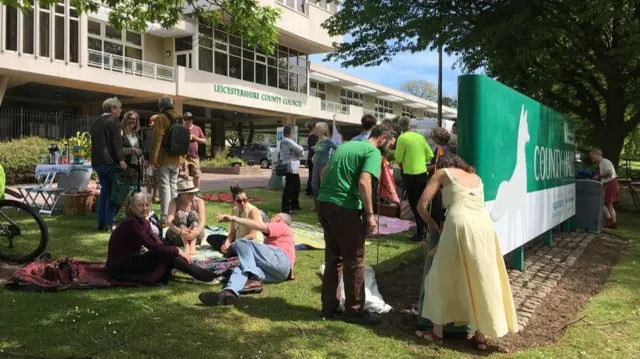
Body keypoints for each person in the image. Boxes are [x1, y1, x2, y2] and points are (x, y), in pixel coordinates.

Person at [415, 154, 518, 350]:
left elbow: (422, 205)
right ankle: (481, 337)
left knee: (441, 274)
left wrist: (432, 226)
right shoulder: (476, 177)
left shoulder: (441, 173)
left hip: (458, 222)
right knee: (481, 276)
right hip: (484, 226)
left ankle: (437, 333)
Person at [317, 123, 397, 326]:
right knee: (354, 259)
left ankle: (329, 308)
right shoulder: (372, 152)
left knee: (334, 257)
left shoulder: (346, 146)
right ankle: (354, 311)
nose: (390, 150)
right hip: (344, 207)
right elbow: (364, 182)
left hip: (324, 203)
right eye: (390, 145)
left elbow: (323, 172)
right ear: (383, 138)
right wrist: (369, 215)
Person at [106, 192, 215, 284]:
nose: (145, 208)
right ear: (132, 208)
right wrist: (177, 250)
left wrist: (174, 251)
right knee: (170, 254)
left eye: (147, 205)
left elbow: (158, 242)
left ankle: (205, 275)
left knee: (169, 253)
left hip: (130, 260)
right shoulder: (132, 223)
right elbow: (152, 246)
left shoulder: (144, 222)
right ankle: (207, 277)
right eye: (140, 205)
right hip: (119, 267)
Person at [198, 212, 295, 306]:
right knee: (242, 266)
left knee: (242, 242)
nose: (271, 218)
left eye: (273, 216)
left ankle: (253, 277)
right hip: (280, 275)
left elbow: (258, 225)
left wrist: (233, 218)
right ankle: (229, 293)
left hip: (281, 260)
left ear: (279, 219)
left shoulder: (283, 226)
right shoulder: (276, 240)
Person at [395, 117, 434, 241]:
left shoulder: (402, 138)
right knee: (423, 202)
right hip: (422, 173)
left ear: (401, 127)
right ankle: (427, 229)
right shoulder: (420, 137)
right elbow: (430, 154)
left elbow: (398, 158)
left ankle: (420, 232)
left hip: (410, 174)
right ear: (411, 125)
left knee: (414, 204)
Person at [90, 97, 126, 233]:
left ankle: (101, 223)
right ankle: (109, 224)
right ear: (113, 108)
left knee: (104, 192)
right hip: (110, 161)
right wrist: (122, 160)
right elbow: (116, 142)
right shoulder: (113, 121)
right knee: (112, 194)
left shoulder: (96, 122)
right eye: (119, 108)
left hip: (97, 161)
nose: (121, 110)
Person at [149, 95, 185, 225]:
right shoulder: (179, 118)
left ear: (160, 106)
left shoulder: (161, 118)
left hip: (163, 159)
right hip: (176, 158)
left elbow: (157, 140)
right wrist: (182, 159)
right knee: (174, 187)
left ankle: (165, 218)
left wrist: (153, 159)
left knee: (164, 188)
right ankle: (175, 215)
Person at [206, 185, 265, 255]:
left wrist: (234, 244)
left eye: (245, 200)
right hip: (238, 240)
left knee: (233, 249)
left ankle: (230, 250)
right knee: (211, 238)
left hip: (251, 243)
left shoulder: (253, 210)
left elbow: (252, 235)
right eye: (239, 201)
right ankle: (227, 249)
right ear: (234, 202)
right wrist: (227, 244)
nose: (242, 203)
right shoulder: (234, 210)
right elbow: (232, 233)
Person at [164, 180, 206, 255]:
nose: (193, 195)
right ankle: (186, 245)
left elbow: (202, 221)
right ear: (181, 194)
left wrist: (195, 232)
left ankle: (192, 246)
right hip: (177, 236)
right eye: (190, 193)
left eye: (194, 192)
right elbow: (169, 222)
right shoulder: (174, 202)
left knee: (193, 213)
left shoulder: (199, 202)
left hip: (196, 236)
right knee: (180, 213)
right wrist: (181, 232)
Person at [590, 148, 620, 229]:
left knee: (601, 202)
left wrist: (599, 176)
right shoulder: (601, 163)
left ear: (597, 155)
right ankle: (613, 224)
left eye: (592, 156)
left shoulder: (605, 161)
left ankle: (610, 220)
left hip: (610, 183)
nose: (591, 158)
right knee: (609, 204)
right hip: (609, 183)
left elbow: (609, 172)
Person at [311, 122, 338, 202]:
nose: (315, 130)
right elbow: (317, 151)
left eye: (317, 129)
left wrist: (330, 161)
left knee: (323, 185)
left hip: (324, 165)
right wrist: (313, 157)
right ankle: (316, 204)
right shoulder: (318, 140)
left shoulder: (328, 141)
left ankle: (323, 203)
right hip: (315, 165)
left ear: (322, 130)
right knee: (314, 185)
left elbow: (338, 149)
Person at [280, 125, 304, 214]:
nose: (294, 134)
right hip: (291, 166)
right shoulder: (288, 141)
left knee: (296, 186)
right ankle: (286, 208)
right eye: (293, 132)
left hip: (291, 166)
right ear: (290, 133)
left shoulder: (284, 141)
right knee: (290, 187)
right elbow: (300, 149)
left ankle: (294, 205)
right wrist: (299, 151)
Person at [183, 112, 206, 189]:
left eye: (189, 119)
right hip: (183, 156)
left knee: (197, 175)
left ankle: (196, 191)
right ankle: (186, 192)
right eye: (185, 119)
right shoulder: (181, 128)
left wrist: (196, 138)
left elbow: (204, 140)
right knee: (184, 176)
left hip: (194, 156)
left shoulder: (197, 128)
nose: (187, 121)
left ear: (192, 120)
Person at [121, 111, 143, 190]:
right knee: (125, 190)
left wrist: (136, 151)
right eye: (129, 119)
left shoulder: (137, 134)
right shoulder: (121, 133)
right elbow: (117, 149)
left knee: (135, 190)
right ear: (125, 120)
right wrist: (129, 150)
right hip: (124, 165)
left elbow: (141, 150)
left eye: (134, 119)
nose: (132, 121)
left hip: (135, 165)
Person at [142, 115, 159, 203]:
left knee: (154, 181)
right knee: (150, 180)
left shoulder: (158, 132)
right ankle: (150, 197)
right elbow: (146, 147)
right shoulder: (149, 133)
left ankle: (153, 197)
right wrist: (147, 159)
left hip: (155, 160)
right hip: (151, 160)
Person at [305, 122, 318, 196]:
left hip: (310, 157)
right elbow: (313, 148)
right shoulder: (313, 136)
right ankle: (310, 190)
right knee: (313, 175)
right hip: (312, 158)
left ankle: (309, 190)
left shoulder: (311, 136)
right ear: (313, 128)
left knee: (311, 175)